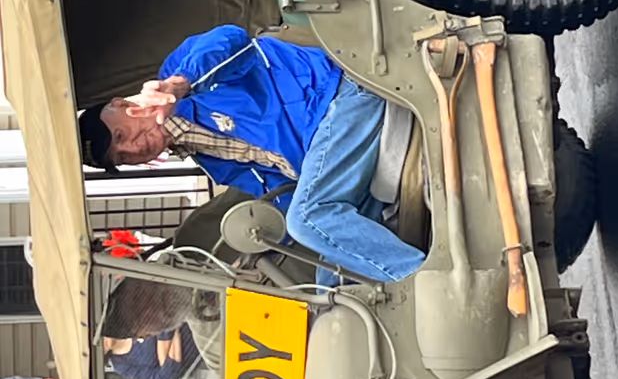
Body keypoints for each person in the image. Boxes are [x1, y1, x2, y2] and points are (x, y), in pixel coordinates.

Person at [78, 24, 425, 285]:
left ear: (124, 105)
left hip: (337, 96)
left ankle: (423, 280)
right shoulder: (206, 157)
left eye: (121, 136)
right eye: (122, 157)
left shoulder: (182, 74)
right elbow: (280, 187)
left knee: (308, 218)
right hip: (328, 146)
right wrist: (264, 251)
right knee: (329, 287)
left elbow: (232, 40)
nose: (132, 149)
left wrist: (179, 83)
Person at [104, 324, 202, 379]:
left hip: (197, 319)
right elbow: (167, 377)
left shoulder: (124, 317)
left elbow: (163, 314)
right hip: (202, 354)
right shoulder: (122, 366)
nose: (101, 342)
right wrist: (171, 329)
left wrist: (164, 357)